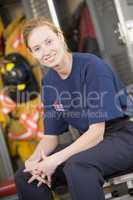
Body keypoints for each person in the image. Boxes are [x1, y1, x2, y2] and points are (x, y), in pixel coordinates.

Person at [15, 17, 133, 200]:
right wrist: (33, 161)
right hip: (90, 143)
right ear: (32, 53)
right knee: (26, 175)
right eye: (37, 48)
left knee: (77, 165)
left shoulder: (91, 66)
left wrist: (54, 160)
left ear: (60, 37)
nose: (46, 51)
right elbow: (50, 138)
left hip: (123, 138)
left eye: (49, 41)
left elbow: (97, 133)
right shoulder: (49, 83)